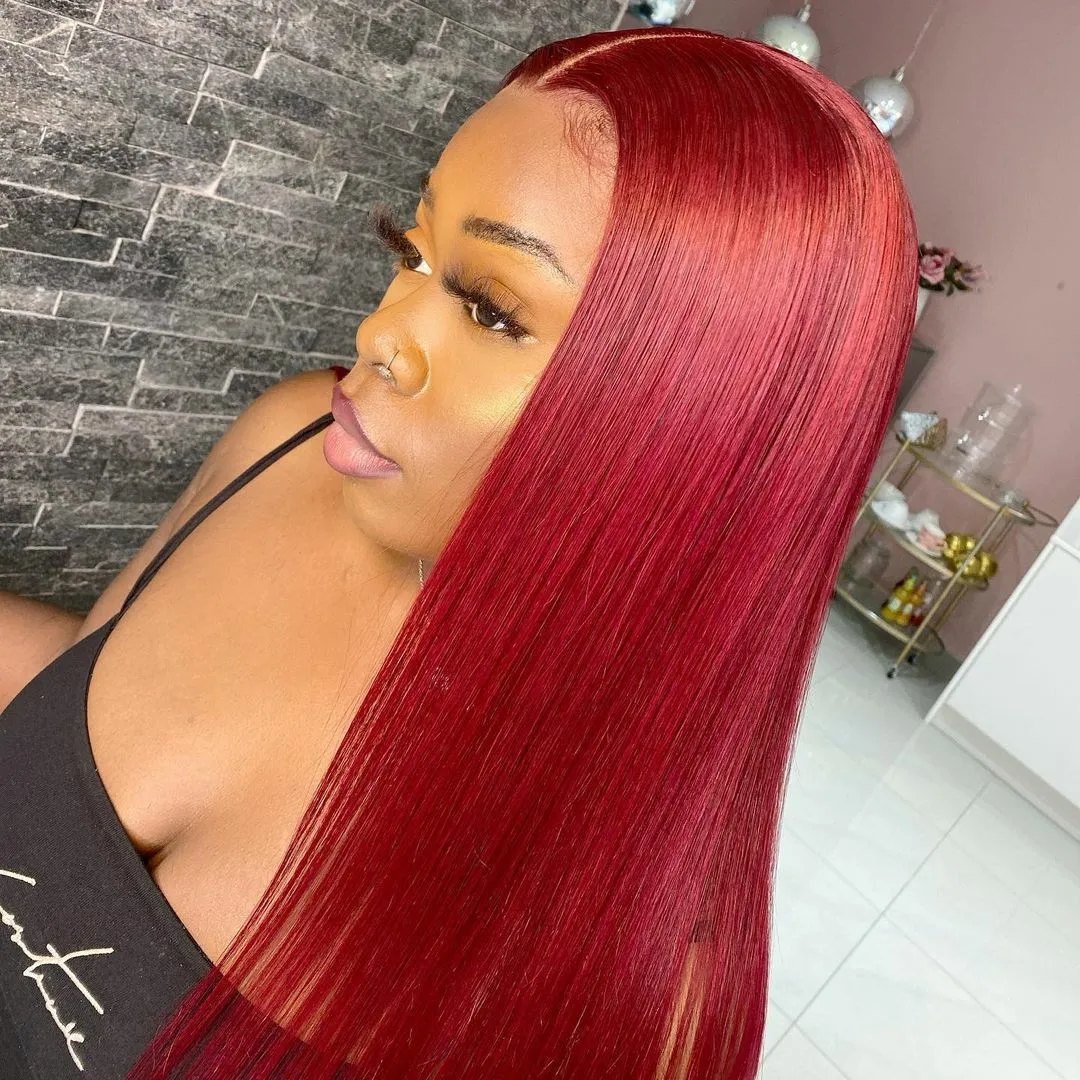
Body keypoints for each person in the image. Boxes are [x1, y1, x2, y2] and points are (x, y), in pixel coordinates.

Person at [0, 26, 915, 1080]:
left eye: (489, 309)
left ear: (698, 427)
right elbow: (80, 667)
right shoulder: (292, 443)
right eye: (411, 251)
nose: (380, 333)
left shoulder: (637, 1005)